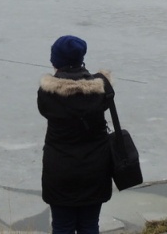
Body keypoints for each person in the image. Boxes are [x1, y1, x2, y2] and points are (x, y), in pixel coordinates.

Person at [37, 35, 113, 234]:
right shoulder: (102, 89)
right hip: (95, 168)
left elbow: (44, 109)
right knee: (89, 225)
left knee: (62, 225)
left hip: (60, 170)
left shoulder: (47, 93)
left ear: (56, 61)